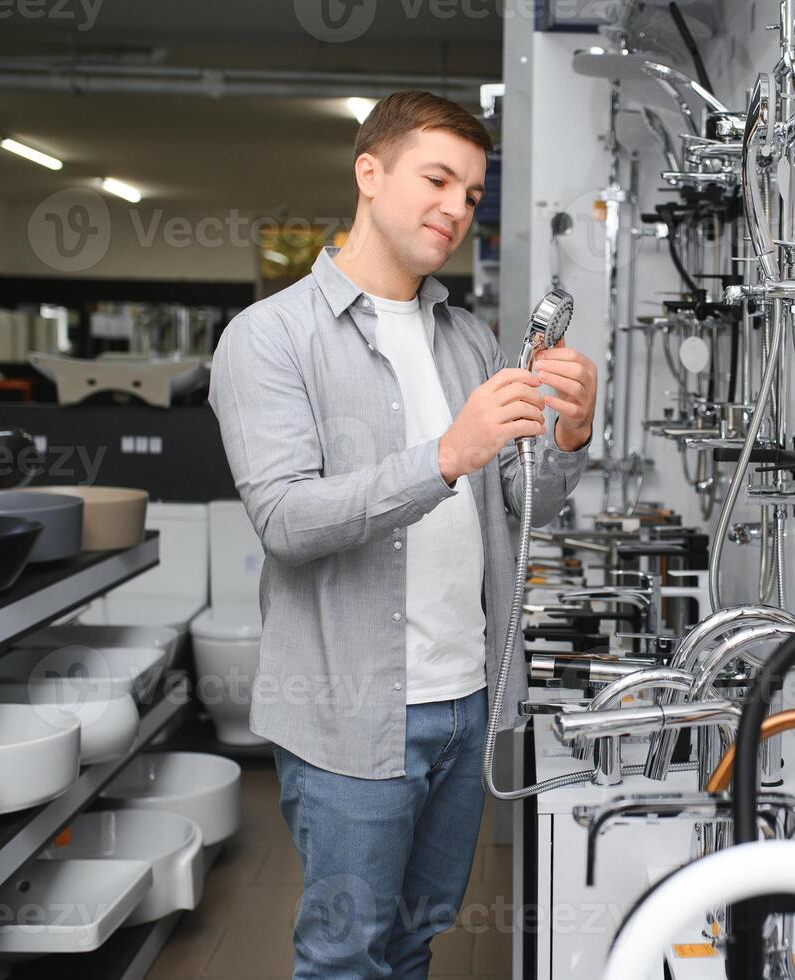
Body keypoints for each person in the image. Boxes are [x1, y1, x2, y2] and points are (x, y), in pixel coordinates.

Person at [208, 90, 597, 978]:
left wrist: (570, 437)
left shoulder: (471, 339)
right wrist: (445, 454)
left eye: (470, 193)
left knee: (415, 945)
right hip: (352, 717)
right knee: (347, 955)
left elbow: (520, 504)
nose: (455, 208)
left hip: (467, 702)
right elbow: (285, 519)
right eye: (436, 179)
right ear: (369, 173)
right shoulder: (268, 339)